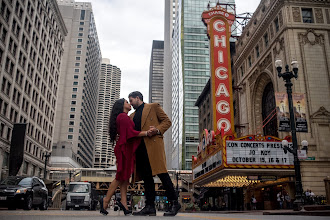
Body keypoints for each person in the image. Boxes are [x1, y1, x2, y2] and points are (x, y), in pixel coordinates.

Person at [128, 91, 181, 216]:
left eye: (131, 100)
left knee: (162, 174)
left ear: (137, 98)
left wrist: (157, 130)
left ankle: (175, 202)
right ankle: (150, 206)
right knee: (147, 178)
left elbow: (167, 121)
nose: (130, 103)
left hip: (153, 146)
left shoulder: (153, 107)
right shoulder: (132, 115)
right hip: (139, 149)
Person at [99, 99, 150, 216]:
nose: (130, 104)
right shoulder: (123, 117)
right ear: (122, 105)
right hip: (124, 149)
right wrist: (147, 133)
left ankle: (124, 203)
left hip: (124, 148)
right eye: (127, 102)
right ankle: (106, 200)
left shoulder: (122, 117)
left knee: (124, 178)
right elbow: (131, 133)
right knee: (120, 176)